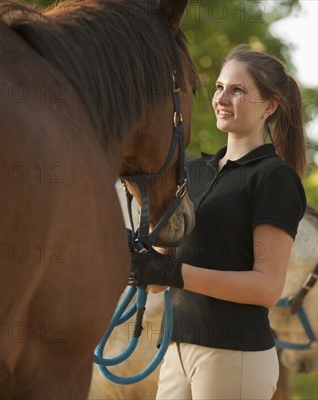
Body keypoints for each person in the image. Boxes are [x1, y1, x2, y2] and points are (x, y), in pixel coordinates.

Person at [130, 45, 307, 400]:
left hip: (234, 354)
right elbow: (157, 283)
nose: (222, 98)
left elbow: (267, 287)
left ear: (270, 106)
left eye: (237, 90)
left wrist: (172, 273)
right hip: (176, 351)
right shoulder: (191, 172)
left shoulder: (274, 178)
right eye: (219, 88)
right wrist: (140, 259)